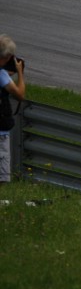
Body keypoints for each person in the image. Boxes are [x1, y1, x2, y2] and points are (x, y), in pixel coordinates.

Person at [0, 34, 25, 184]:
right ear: (8, 56)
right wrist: (20, 72)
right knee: (2, 178)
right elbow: (20, 94)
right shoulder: (2, 74)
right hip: (0, 131)